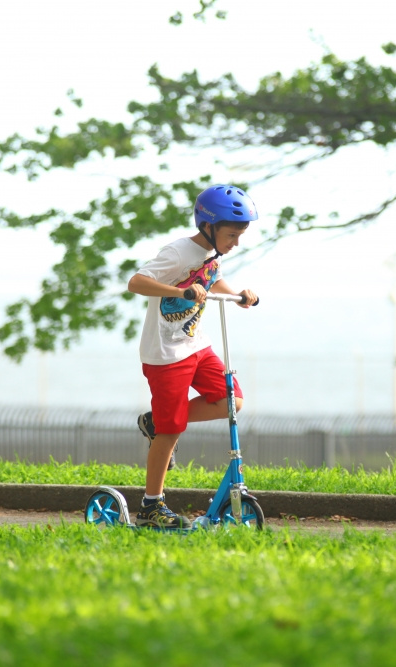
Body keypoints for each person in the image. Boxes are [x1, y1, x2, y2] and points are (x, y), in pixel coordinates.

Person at [126, 184, 260, 529]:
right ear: (208, 227)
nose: (236, 242)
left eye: (240, 235)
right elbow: (136, 282)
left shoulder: (209, 256)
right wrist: (179, 290)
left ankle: (157, 421)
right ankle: (151, 507)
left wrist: (239, 294)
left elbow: (211, 280)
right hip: (166, 354)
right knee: (171, 431)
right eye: (232, 234)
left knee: (231, 401)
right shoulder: (178, 252)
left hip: (196, 345)